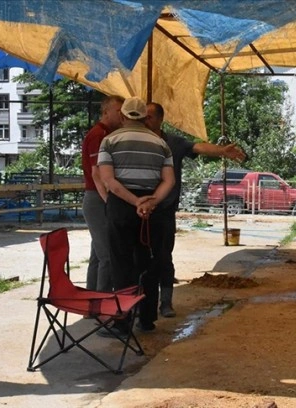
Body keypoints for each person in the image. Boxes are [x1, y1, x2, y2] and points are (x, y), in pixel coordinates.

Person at [144, 102, 246, 317]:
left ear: (161, 119)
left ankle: (166, 303)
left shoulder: (173, 142)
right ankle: (141, 306)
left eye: (150, 116)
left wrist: (221, 151)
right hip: (139, 211)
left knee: (164, 256)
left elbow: (197, 147)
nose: (145, 119)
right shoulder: (137, 140)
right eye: (143, 115)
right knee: (141, 259)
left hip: (163, 211)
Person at [97, 96, 175, 334]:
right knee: (149, 263)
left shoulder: (109, 141)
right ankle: (148, 318)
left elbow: (108, 180)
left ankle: (123, 321)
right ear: (144, 117)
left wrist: (134, 202)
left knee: (121, 263)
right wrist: (150, 202)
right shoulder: (160, 143)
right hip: (151, 211)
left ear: (122, 116)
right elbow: (169, 181)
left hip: (122, 207)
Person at [81, 94, 124, 292]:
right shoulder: (98, 135)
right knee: (107, 255)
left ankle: (92, 300)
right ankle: (103, 303)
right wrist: (109, 201)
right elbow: (96, 173)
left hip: (99, 197)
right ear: (106, 112)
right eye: (118, 111)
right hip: (98, 198)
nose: (122, 115)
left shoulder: (108, 134)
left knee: (98, 254)